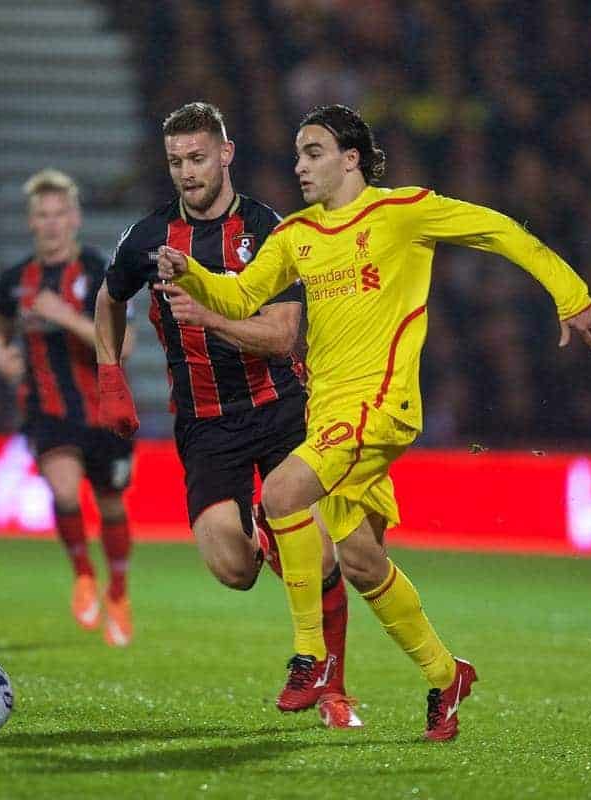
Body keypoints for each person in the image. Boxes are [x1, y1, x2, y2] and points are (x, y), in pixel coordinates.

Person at [157, 104, 591, 741]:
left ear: (351, 158)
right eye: (296, 155)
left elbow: (500, 231)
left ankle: (311, 658)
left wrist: (571, 296)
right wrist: (196, 275)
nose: (299, 166)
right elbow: (241, 297)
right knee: (361, 561)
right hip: (328, 418)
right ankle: (444, 673)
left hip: (380, 408)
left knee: (283, 494)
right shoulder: (295, 235)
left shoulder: (403, 212)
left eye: (313, 152)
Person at [94, 102, 362, 729]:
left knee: (320, 556)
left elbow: (282, 336)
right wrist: (111, 376)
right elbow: (109, 299)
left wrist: (210, 316)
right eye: (175, 162)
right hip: (206, 426)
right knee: (233, 570)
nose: (186, 173)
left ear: (225, 154)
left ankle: (333, 689)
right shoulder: (147, 237)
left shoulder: (270, 229)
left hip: (280, 411)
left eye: (196, 158)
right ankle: (266, 534)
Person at [0, 169, 137, 647]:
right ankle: (82, 575)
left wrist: (66, 317)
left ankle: (117, 591)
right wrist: (0, 351)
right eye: (42, 215)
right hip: (47, 411)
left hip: (105, 412)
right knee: (65, 489)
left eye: (59, 214)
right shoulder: (16, 280)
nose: (51, 224)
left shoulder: (98, 271)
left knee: (111, 503)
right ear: (31, 222)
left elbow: (126, 344)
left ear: (74, 218)